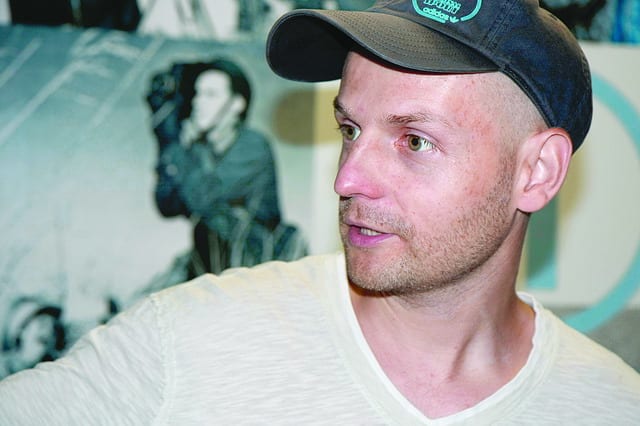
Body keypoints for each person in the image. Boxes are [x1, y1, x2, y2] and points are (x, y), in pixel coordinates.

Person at [1, 0, 639, 423]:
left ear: (537, 172)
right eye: (350, 130)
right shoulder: (189, 341)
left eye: (415, 141)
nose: (348, 178)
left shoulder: (611, 407)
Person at [146, 58, 307, 287]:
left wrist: (176, 149)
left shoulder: (252, 146)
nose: (198, 102)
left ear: (236, 104)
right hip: (217, 266)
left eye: (210, 95)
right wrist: (166, 142)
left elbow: (204, 200)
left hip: (258, 267)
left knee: (212, 224)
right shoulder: (199, 151)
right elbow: (167, 205)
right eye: (197, 93)